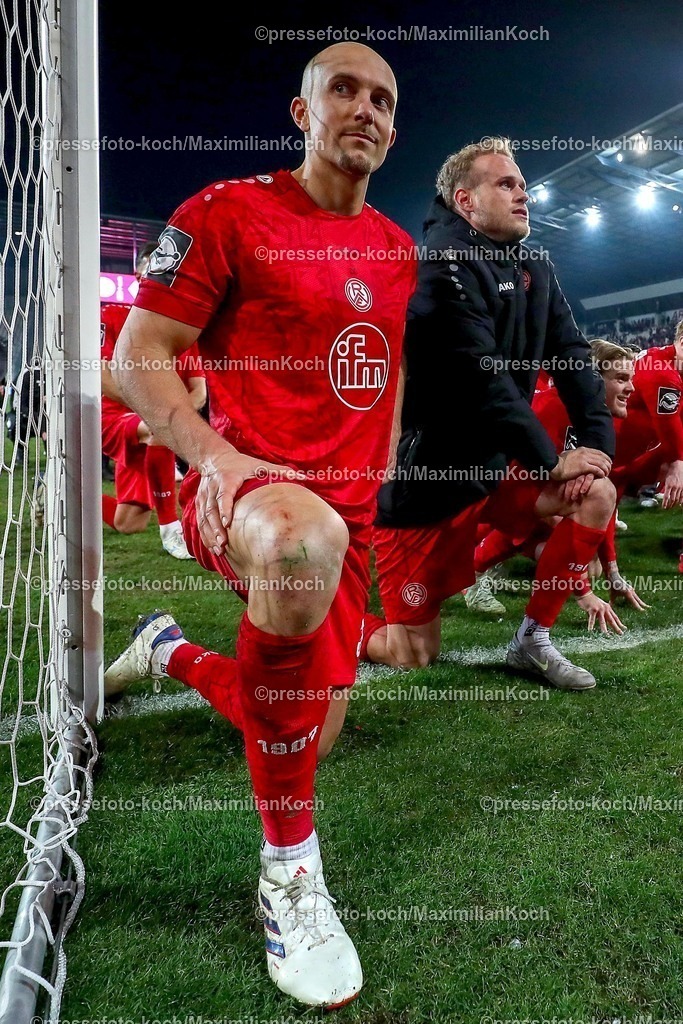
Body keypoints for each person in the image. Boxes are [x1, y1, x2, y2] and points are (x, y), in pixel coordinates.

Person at [104, 43, 415, 1009]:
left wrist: (388, 484)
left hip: (348, 522)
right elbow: (136, 357)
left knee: (299, 734)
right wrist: (217, 459)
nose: (363, 108)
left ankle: (168, 651)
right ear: (301, 110)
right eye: (344, 91)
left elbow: (389, 372)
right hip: (247, 497)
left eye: (382, 99)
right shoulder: (226, 212)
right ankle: (291, 877)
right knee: (296, 543)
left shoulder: (398, 250)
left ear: (394, 129)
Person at [363, 136, 616, 691]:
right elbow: (481, 377)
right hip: (430, 481)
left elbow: (572, 354)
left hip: (498, 466)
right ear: (465, 201)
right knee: (412, 653)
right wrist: (550, 460)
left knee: (598, 492)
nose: (523, 194)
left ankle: (532, 640)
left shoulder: (534, 267)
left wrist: (598, 450)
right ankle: (337, 620)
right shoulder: (439, 264)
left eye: (523, 184)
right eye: (506, 184)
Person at [469, 341, 649, 627]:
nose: (632, 389)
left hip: (523, 504)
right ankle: (475, 570)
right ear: (592, 380)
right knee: (570, 540)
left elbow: (606, 506)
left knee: (590, 524)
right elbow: (515, 495)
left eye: (631, 379)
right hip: (490, 498)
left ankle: (481, 572)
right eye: (621, 379)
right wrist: (582, 590)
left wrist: (613, 572)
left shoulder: (600, 425)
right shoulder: (553, 409)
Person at [100, 242, 206, 559]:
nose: (160, 275)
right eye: (153, 267)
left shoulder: (185, 334)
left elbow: (199, 391)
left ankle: (55, 494)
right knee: (157, 429)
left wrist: (175, 414)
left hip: (153, 424)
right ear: (138, 275)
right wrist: (158, 411)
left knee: (129, 522)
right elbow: (97, 375)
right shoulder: (113, 315)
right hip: (114, 416)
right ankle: (171, 529)